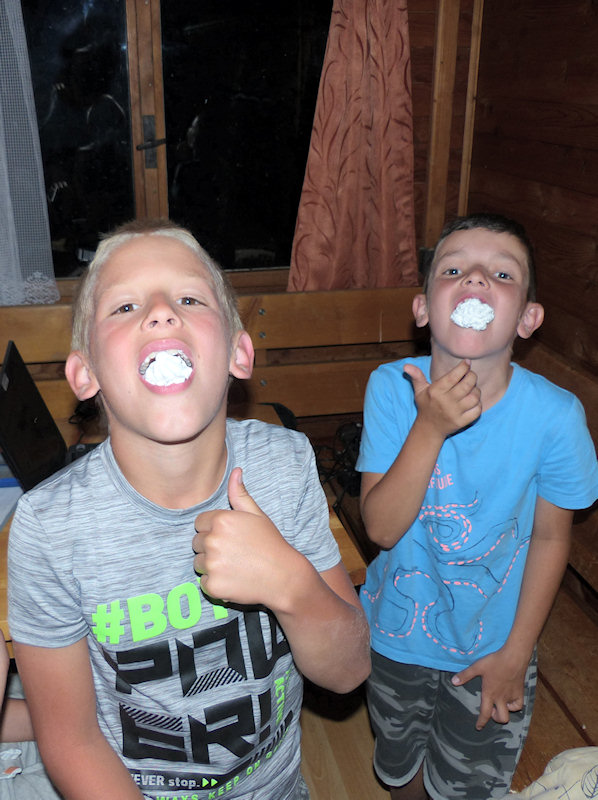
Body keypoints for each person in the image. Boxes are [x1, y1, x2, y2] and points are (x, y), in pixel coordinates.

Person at [7, 218, 371, 800]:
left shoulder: (283, 464)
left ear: (238, 353)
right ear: (85, 374)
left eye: (189, 299)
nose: (160, 313)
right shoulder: (48, 528)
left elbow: (349, 670)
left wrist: (291, 584)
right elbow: (71, 740)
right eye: (125, 307)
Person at [356, 213, 598, 800]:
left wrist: (516, 653)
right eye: (454, 270)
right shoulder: (391, 388)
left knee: (467, 787)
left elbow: (550, 538)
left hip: (497, 645)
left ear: (527, 319)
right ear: (423, 309)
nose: (476, 280)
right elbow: (381, 529)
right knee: (400, 771)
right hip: (395, 636)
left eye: (502, 274)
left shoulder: (556, 417)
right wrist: (429, 427)